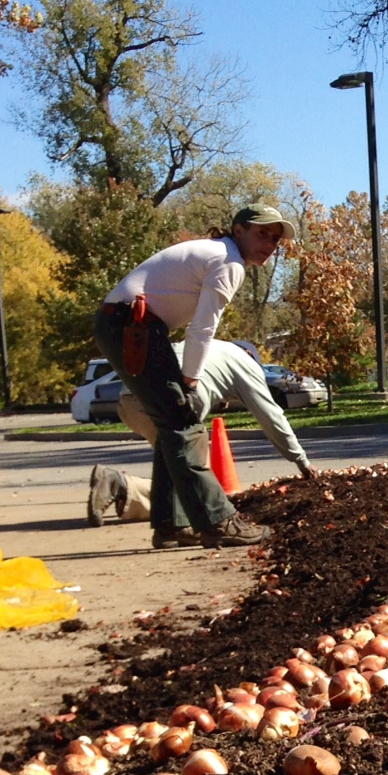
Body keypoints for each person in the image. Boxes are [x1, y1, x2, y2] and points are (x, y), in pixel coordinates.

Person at [92, 206, 291, 548]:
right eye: (262, 234)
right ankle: (219, 522)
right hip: (134, 326)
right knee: (183, 422)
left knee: (172, 426)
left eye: (275, 239)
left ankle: (172, 525)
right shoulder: (228, 261)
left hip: (130, 325)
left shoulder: (219, 253)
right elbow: (203, 328)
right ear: (238, 229)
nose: (270, 244)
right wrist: (190, 381)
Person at [89, 340, 317, 525]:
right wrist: (301, 461)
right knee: (195, 479)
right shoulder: (244, 363)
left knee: (175, 471)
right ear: (250, 356)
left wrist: (219, 397)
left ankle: (153, 513)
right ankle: (123, 486)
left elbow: (195, 377)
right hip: (168, 400)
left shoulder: (205, 346)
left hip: (130, 399)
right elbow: (271, 416)